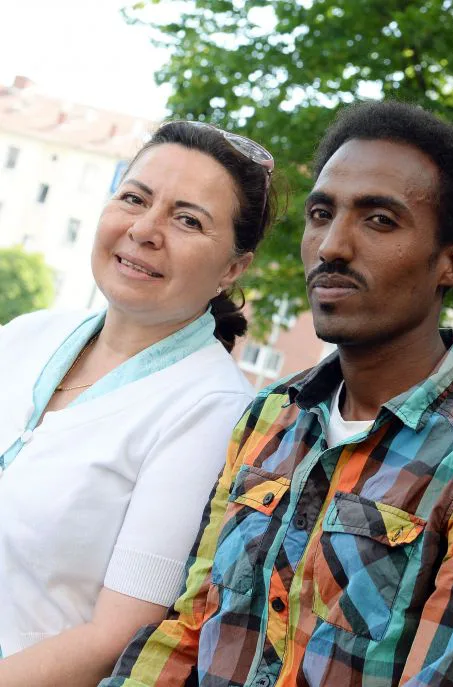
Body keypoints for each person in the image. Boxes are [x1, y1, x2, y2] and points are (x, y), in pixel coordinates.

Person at [103, 100, 453, 687]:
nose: (331, 246)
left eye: (380, 221)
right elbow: (188, 628)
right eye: (321, 214)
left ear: (451, 263)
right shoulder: (271, 417)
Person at [0, 120, 276, 686]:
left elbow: (117, 638)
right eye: (134, 198)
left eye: (188, 220)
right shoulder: (26, 335)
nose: (145, 230)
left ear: (232, 269)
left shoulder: (212, 410)